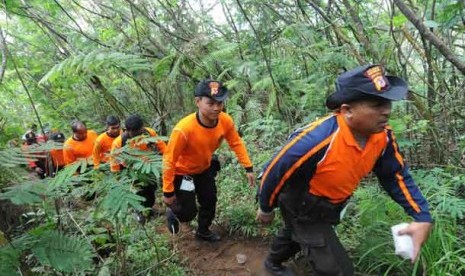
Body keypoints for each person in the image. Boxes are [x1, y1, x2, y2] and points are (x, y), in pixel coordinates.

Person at [256, 64, 432, 275]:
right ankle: (274, 264)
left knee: (295, 231)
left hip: (330, 205)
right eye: (377, 104)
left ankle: (272, 263)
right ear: (347, 110)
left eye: (387, 103)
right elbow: (275, 171)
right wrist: (265, 208)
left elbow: (395, 176)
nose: (386, 111)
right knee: (337, 269)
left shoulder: (383, 137)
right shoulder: (316, 141)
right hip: (301, 203)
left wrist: (421, 216)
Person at [162, 79, 255, 241]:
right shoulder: (184, 129)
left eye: (220, 103)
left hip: (204, 168)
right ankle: (173, 211)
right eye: (211, 103)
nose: (217, 107)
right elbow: (169, 160)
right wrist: (168, 191)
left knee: (210, 200)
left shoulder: (225, 120)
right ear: (197, 102)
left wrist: (248, 167)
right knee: (187, 213)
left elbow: (236, 142)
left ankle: (203, 231)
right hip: (182, 173)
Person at [110, 114, 167, 223]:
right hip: (131, 171)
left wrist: (166, 162)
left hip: (149, 167)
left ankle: (149, 209)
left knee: (151, 190)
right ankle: (139, 212)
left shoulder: (150, 133)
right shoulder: (119, 143)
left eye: (140, 131)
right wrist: (118, 180)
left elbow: (163, 148)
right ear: (127, 130)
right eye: (135, 133)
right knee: (138, 193)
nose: (139, 134)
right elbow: (114, 164)